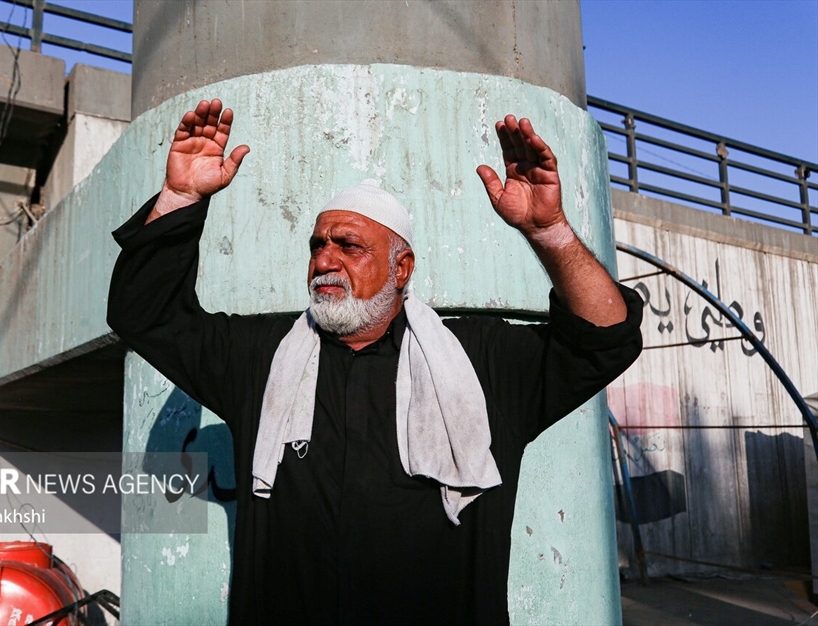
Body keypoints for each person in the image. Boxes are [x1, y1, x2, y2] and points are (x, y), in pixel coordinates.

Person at [108, 98, 642, 625]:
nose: (324, 260)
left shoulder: (480, 361)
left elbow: (604, 338)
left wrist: (548, 232)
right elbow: (147, 316)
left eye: (349, 246)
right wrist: (179, 196)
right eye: (317, 244)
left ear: (401, 268)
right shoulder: (262, 357)